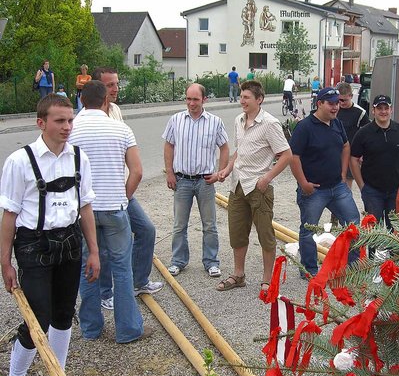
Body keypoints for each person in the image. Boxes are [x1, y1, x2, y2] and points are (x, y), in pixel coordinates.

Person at [0, 94, 100, 376]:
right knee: (38, 317)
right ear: (41, 123)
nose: (67, 126)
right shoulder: (20, 161)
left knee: (63, 313)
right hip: (33, 245)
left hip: (70, 242)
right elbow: (9, 215)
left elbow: (85, 207)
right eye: (60, 121)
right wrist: (5, 262)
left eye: (70, 120)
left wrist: (94, 252)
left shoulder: (78, 157)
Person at [69, 80, 151, 343]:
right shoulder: (121, 129)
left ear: (82, 100)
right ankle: (128, 329)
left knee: (87, 267)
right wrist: (123, 198)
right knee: (121, 269)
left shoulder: (70, 130)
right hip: (115, 208)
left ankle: (91, 328)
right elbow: (137, 172)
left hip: (83, 212)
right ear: (106, 101)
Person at [92, 67, 161, 311]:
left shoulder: (116, 110)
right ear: (98, 88)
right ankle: (105, 292)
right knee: (106, 245)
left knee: (146, 230)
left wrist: (125, 193)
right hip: (102, 194)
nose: (116, 89)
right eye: (110, 85)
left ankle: (139, 281)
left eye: (117, 83)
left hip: (122, 190)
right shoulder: (88, 117)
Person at [216, 80, 291, 292]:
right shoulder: (239, 120)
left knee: (265, 234)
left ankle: (267, 280)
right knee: (237, 233)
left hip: (259, 187)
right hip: (238, 185)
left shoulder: (270, 123)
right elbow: (240, 150)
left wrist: (267, 178)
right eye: (241, 97)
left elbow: (286, 155)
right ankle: (238, 275)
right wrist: (228, 169)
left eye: (247, 97)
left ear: (259, 100)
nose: (242, 101)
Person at [289, 87, 361, 277]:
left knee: (353, 226)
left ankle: (353, 268)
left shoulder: (336, 124)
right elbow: (293, 157)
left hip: (337, 187)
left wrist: (344, 173)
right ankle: (310, 270)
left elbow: (346, 146)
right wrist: (303, 183)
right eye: (331, 103)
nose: (335, 107)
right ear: (319, 103)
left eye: (337, 103)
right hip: (314, 190)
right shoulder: (305, 127)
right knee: (309, 230)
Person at [163, 83, 229, 278]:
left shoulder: (215, 122)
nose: (191, 103)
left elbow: (224, 147)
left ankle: (211, 262)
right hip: (182, 179)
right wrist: (169, 172)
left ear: (204, 100)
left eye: (195, 99)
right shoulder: (176, 120)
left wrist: (220, 172)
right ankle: (178, 261)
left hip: (205, 181)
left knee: (209, 224)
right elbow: (168, 146)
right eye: (188, 99)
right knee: (179, 224)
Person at [350, 95, 399, 229]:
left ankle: (390, 251)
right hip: (372, 190)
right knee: (372, 229)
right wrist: (362, 186)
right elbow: (353, 159)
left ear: (391, 110)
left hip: (395, 189)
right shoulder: (363, 133)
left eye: (386, 108)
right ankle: (372, 251)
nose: (383, 111)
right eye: (379, 108)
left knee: (394, 229)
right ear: (373, 111)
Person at [336, 82, 370, 189]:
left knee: (346, 184)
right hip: (333, 151)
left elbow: (367, 135)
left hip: (350, 152)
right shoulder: (333, 109)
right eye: (339, 100)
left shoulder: (360, 113)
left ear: (351, 96)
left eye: (344, 100)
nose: (341, 103)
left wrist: (363, 153)